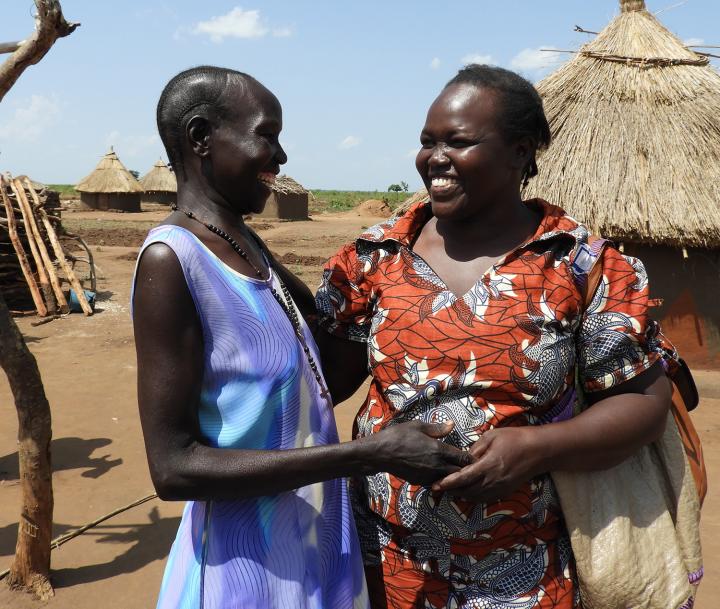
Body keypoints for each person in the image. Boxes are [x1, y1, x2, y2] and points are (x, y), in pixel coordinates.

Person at [315, 64, 672, 608]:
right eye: (427, 142)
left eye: (458, 142)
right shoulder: (375, 257)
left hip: (526, 570)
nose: (435, 158)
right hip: (386, 564)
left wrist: (537, 447)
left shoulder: (581, 265)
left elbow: (644, 402)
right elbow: (324, 378)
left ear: (520, 152)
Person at [132, 66, 474, 609]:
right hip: (243, 568)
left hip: (310, 546)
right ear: (201, 138)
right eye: (266, 135)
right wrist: (368, 455)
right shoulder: (173, 261)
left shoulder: (245, 244)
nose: (281, 155)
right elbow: (174, 468)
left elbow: (320, 376)